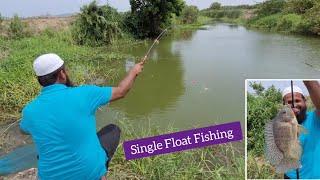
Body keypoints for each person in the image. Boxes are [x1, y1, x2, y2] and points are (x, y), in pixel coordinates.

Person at [19, 53, 144, 180]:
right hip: (89, 174)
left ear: (40, 80)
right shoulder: (85, 93)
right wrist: (134, 71)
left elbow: (23, 130)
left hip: (49, 177)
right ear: (62, 73)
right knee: (113, 130)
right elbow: (121, 91)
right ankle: (101, 174)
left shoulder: (29, 111)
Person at [282, 81, 320, 179]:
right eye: (289, 102)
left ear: (305, 101)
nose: (294, 105)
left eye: (298, 100)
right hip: (289, 176)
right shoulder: (281, 124)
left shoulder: (315, 118)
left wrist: (308, 80)